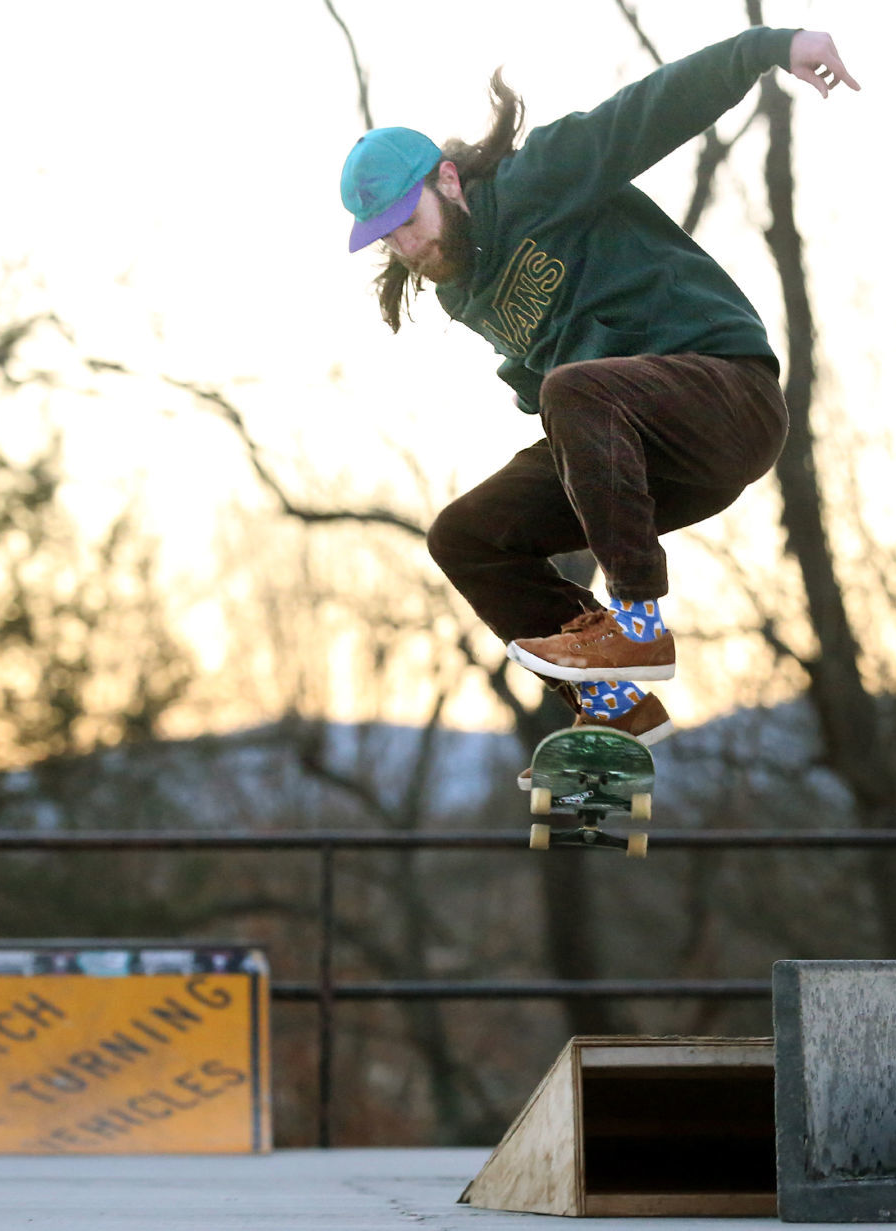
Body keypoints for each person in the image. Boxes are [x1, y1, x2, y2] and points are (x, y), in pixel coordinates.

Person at [340, 26, 859, 770]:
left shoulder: (540, 177)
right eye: (389, 241)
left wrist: (771, 47)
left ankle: (639, 625)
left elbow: (651, 109)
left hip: (725, 396)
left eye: (409, 224)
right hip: (640, 457)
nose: (410, 250)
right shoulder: (458, 291)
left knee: (572, 389)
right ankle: (616, 708)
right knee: (464, 536)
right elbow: (540, 376)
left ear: (449, 181)